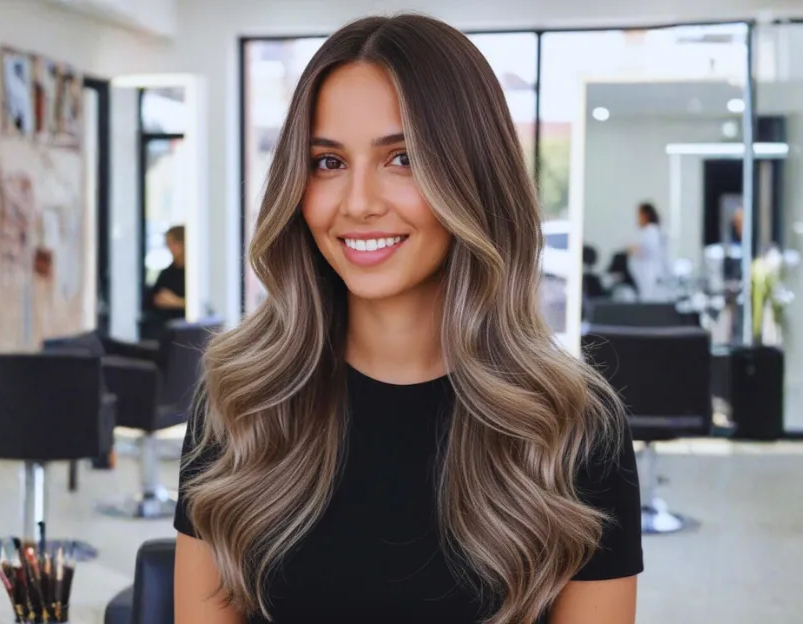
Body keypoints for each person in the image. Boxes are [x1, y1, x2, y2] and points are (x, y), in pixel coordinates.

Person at [174, 14, 642, 624]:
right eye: (329, 163)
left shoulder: (571, 426)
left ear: (472, 177)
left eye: (403, 158)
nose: (360, 203)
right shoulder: (241, 400)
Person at [626, 202, 671, 302]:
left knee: (650, 300)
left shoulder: (651, 230)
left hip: (650, 275)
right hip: (647, 276)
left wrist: (633, 249)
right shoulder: (652, 231)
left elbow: (649, 250)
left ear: (645, 215)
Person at [147, 225, 187, 322]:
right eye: (168, 244)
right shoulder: (167, 273)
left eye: (174, 243)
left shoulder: (194, 274)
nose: (170, 248)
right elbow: (153, 299)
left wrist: (177, 302)